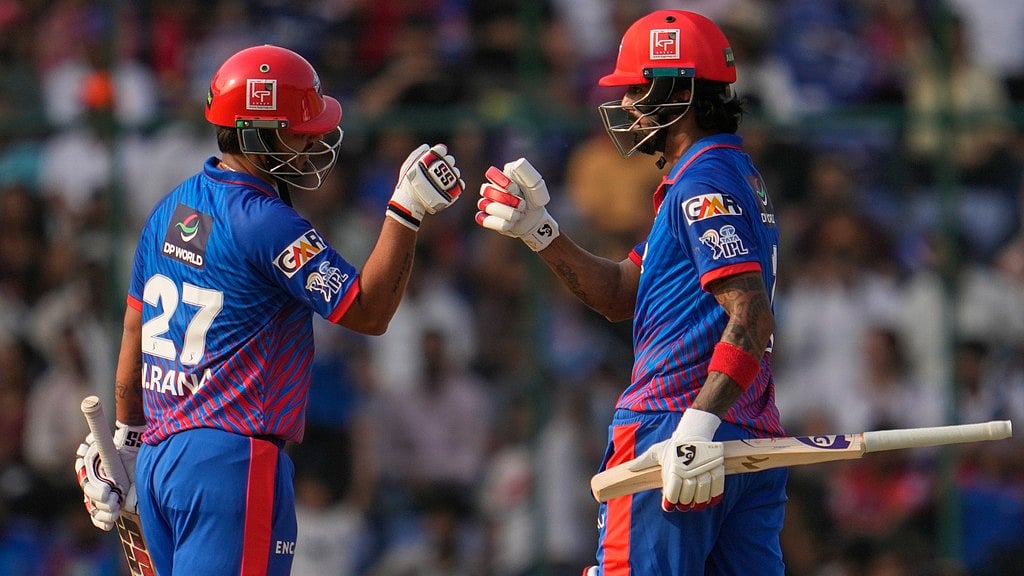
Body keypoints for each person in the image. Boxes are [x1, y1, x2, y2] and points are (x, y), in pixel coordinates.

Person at [72, 44, 465, 575]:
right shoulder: (265, 221)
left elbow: (134, 328)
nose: (311, 140)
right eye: (297, 130)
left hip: (163, 462)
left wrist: (126, 440)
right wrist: (406, 210)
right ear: (257, 133)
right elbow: (368, 313)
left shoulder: (171, 207)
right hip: (233, 465)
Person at [476, 10, 786, 575]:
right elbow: (623, 294)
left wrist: (695, 426)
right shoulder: (722, 176)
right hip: (741, 434)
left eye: (639, 89)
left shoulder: (701, 183)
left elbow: (750, 313)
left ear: (682, 92)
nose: (626, 106)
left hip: (676, 425)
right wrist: (539, 231)